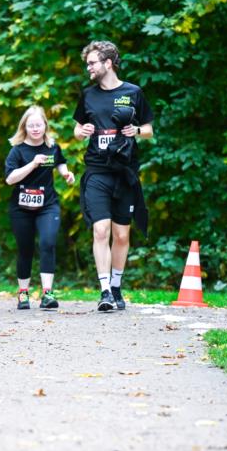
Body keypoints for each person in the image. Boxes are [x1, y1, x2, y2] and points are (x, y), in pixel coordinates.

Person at [73, 40, 154, 312]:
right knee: (100, 230)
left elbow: (149, 130)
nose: (89, 68)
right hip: (97, 170)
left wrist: (137, 132)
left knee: (121, 235)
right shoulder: (88, 95)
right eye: (88, 64)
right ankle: (105, 290)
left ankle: (117, 286)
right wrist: (81, 131)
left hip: (125, 171)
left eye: (93, 63)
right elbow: (76, 129)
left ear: (108, 63)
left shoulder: (133, 92)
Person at [4, 106, 75, 310]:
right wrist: (33, 164)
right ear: (24, 127)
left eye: (39, 124)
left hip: (48, 205)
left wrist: (66, 173)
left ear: (45, 125)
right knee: (25, 249)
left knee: (48, 243)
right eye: (31, 125)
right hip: (21, 208)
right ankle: (23, 294)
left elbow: (60, 162)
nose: (35, 129)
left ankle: (47, 294)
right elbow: (10, 179)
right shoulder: (17, 150)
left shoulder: (52, 146)